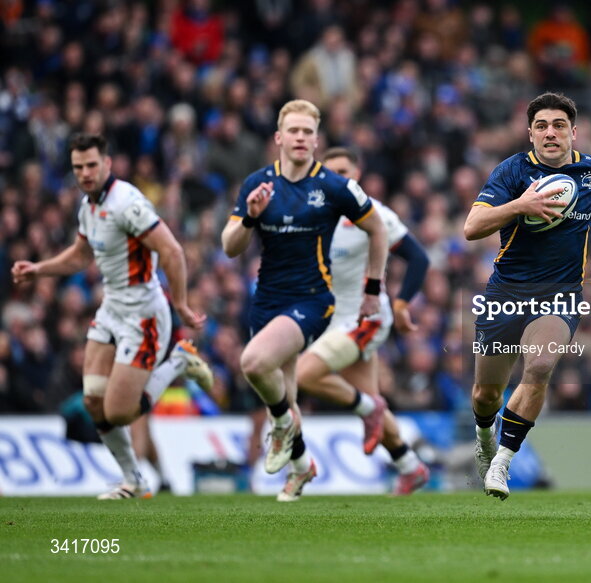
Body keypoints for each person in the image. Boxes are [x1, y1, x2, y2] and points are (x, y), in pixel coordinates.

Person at [463, 92, 591, 500]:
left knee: (540, 366)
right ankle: (485, 433)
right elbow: (472, 227)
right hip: (506, 292)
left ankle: (503, 461)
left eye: (559, 125)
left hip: (560, 294)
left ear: (574, 132)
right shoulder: (512, 171)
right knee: (486, 395)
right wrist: (520, 204)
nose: (550, 133)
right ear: (530, 134)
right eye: (541, 126)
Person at [11, 133, 212, 499]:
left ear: (107, 164)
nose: (85, 173)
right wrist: (38, 269)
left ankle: (179, 361)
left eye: (91, 165)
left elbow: (172, 250)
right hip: (112, 309)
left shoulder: (127, 204)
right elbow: (79, 255)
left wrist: (180, 304)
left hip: (143, 314)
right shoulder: (88, 207)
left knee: (120, 413)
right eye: (78, 168)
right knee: (92, 400)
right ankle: (134, 480)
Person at [221, 99, 387, 502]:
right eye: (293, 131)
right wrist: (250, 217)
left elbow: (377, 230)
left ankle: (278, 424)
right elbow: (230, 247)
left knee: (254, 362)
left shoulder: (333, 186)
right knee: (287, 394)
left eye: (308, 132)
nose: (300, 138)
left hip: (312, 300)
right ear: (279, 137)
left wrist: (372, 289)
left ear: (317, 140)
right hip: (267, 300)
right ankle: (300, 468)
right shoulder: (257, 184)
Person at [295, 147, 432, 496]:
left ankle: (372, 410)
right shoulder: (312, 214)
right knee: (367, 399)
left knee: (304, 375)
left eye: (345, 171)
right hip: (331, 319)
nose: (340, 178)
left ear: (358, 173)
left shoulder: (373, 214)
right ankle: (409, 466)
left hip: (364, 317)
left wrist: (401, 304)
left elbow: (417, 258)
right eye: (332, 171)